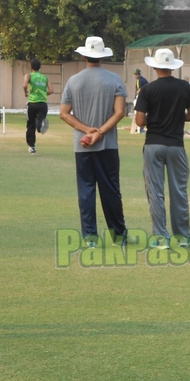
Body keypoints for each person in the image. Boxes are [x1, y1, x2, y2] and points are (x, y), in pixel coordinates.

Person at [59, 36, 127, 242]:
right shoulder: (114, 79)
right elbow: (120, 112)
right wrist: (100, 132)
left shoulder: (73, 80)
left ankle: (90, 237)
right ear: (102, 57)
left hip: (83, 146)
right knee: (111, 191)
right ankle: (118, 235)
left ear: (83, 55)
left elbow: (64, 113)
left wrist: (88, 131)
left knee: (86, 192)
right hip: (108, 146)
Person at [135, 48, 190, 247]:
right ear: (173, 67)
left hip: (154, 143)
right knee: (179, 191)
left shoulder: (147, 90)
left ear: (154, 66)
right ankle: (183, 237)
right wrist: (177, 117)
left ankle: (161, 237)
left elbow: (139, 121)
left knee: (156, 191)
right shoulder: (185, 87)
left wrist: (155, 118)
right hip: (176, 145)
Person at [23, 59, 54, 155]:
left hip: (32, 103)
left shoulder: (29, 75)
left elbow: (24, 85)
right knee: (40, 119)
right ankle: (40, 126)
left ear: (31, 67)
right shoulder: (45, 78)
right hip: (43, 104)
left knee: (30, 125)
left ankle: (32, 147)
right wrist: (44, 95)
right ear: (40, 67)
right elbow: (51, 90)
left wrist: (26, 93)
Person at [130, 68, 148, 134]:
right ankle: (138, 129)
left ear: (139, 74)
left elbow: (139, 90)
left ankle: (138, 129)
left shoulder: (139, 80)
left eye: (136, 74)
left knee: (138, 114)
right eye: (134, 74)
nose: (135, 75)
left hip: (140, 98)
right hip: (145, 98)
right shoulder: (144, 80)